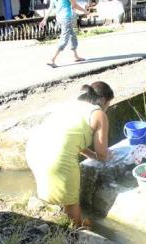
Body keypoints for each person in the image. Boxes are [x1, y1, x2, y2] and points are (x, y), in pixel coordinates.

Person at [26, 82, 114, 226]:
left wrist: (90, 154)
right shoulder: (99, 114)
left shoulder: (72, 104)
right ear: (104, 100)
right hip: (56, 157)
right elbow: (102, 155)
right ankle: (76, 231)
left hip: (34, 148)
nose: (107, 107)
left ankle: (56, 220)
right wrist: (106, 155)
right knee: (72, 201)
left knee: (55, 190)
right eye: (109, 103)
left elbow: (69, 136)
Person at [39, 0, 88, 68]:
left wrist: (44, 19)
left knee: (72, 36)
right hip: (66, 18)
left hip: (60, 19)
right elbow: (74, 5)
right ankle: (52, 59)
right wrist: (85, 11)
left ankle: (76, 56)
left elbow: (50, 8)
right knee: (64, 39)